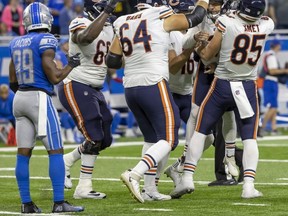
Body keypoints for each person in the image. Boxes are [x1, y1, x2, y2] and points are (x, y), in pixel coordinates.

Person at [106, 0, 209, 203]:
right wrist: (204, 1)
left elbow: (112, 61)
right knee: (169, 139)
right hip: (153, 81)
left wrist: (135, 52)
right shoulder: (158, 14)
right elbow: (194, 18)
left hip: (131, 86)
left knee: (151, 139)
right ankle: (134, 174)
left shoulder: (121, 21)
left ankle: (150, 189)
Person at [172, 0, 274, 199]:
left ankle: (187, 177)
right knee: (250, 138)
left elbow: (208, 54)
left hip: (222, 85)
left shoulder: (227, 21)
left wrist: (200, 47)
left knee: (200, 131)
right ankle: (248, 186)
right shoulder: (266, 24)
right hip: (247, 86)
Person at [9, 2, 84, 213]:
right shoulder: (46, 39)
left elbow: (12, 79)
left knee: (23, 153)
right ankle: (59, 202)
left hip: (20, 98)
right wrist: (71, 64)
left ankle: (26, 204)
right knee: (56, 151)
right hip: (38, 98)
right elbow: (55, 76)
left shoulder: (16, 42)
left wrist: (26, 93)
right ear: (46, 19)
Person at [165, 0, 241, 193]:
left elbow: (236, 47)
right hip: (204, 72)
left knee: (228, 113)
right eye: (211, 4)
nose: (213, 8)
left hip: (226, 69)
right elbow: (187, 43)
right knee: (195, 114)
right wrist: (198, 40)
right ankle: (185, 159)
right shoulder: (201, 19)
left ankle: (229, 155)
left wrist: (214, 57)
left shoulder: (232, 18)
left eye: (216, 4)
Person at [58, 0, 118, 199]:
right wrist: (108, 11)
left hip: (95, 88)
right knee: (93, 134)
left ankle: (66, 161)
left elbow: (116, 61)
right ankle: (83, 188)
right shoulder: (79, 22)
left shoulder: (110, 27)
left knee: (105, 137)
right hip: (76, 83)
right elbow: (85, 38)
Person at [261, 39, 288, 134]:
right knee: (273, 107)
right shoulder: (271, 56)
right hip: (270, 82)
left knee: (274, 107)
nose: (280, 47)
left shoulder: (270, 55)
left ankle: (274, 128)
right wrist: (285, 71)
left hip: (271, 82)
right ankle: (262, 127)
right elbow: (272, 71)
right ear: (276, 45)